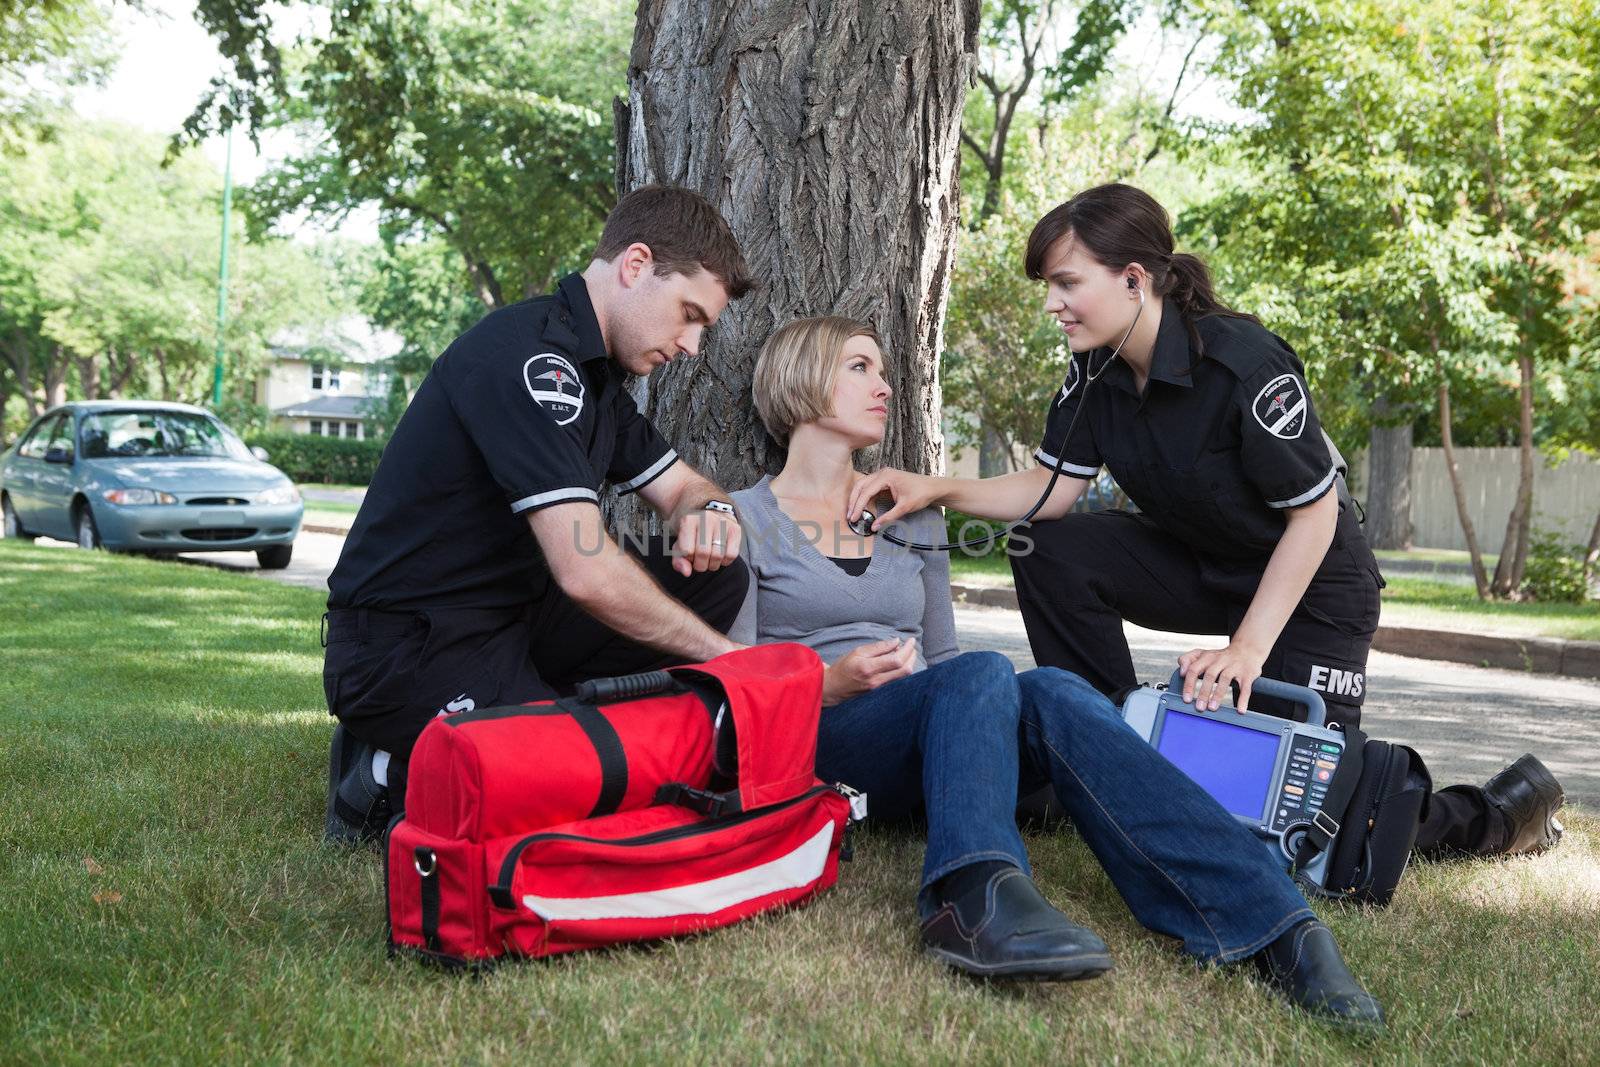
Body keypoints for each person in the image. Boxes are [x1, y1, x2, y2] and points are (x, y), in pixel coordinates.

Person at [846, 182, 1565, 861]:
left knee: (1306, 814)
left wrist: (1247, 651)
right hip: (1202, 563)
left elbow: (1314, 518)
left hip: (1311, 583)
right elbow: (1050, 491)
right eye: (1050, 288)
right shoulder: (1092, 373)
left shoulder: (1244, 364)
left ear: (1134, 279)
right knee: (1049, 546)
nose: (1053, 305)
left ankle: (1500, 818)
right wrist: (933, 487)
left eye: (1067, 283)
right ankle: (1100, 754)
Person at [729, 315, 1384, 1029]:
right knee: (984, 674)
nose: (885, 384)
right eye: (860, 367)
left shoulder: (909, 515)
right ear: (799, 379)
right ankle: (975, 891)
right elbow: (730, 687)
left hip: (939, 735)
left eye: (883, 368)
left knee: (1051, 689)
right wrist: (829, 680)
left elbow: (947, 663)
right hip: (828, 735)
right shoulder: (742, 517)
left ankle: (1277, 927)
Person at [322, 186, 755, 842]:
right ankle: (385, 771)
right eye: (689, 314)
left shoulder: (598, 380)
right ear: (636, 265)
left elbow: (682, 486)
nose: (692, 344)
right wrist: (728, 660)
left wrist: (711, 508)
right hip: (409, 645)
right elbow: (584, 570)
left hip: (512, 620)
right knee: (578, 791)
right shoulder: (533, 360)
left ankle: (546, 721)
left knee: (717, 578)